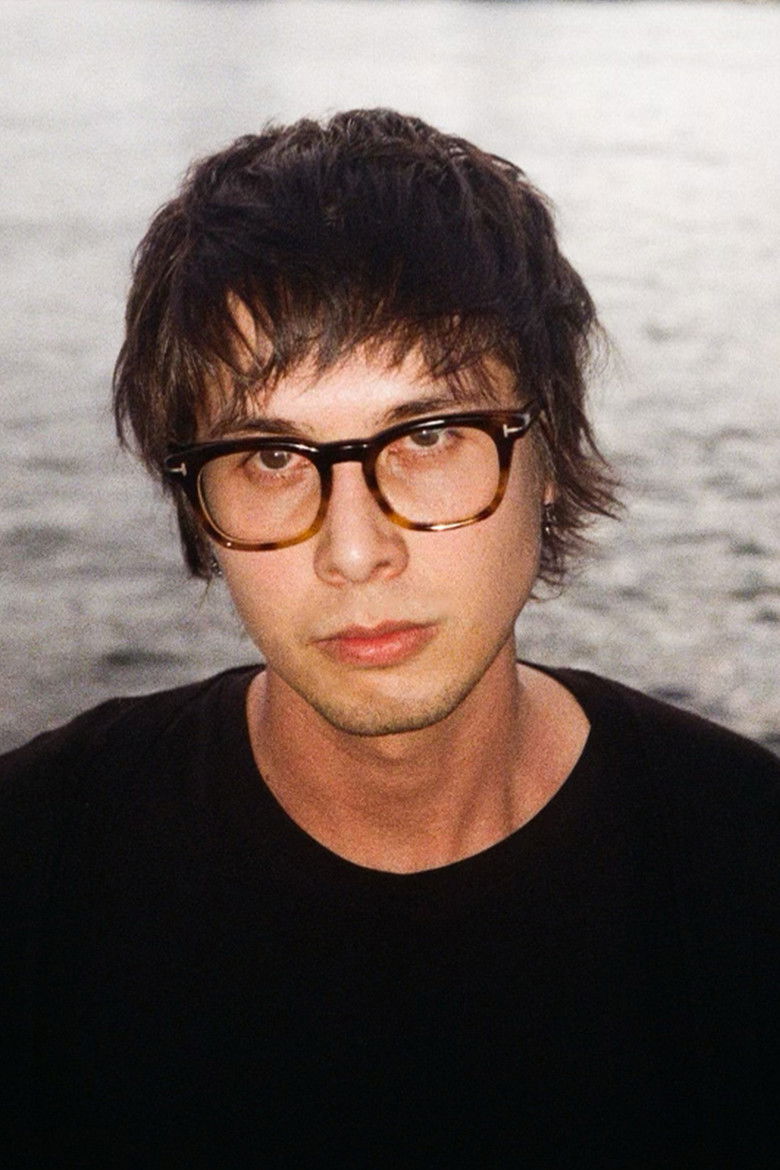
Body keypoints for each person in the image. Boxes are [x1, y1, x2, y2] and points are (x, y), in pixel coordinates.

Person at [1, 109, 777, 1168]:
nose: (355, 551)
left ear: (550, 453)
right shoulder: (36, 870)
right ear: (195, 502)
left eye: (430, 435)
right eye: (272, 458)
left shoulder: (745, 876)